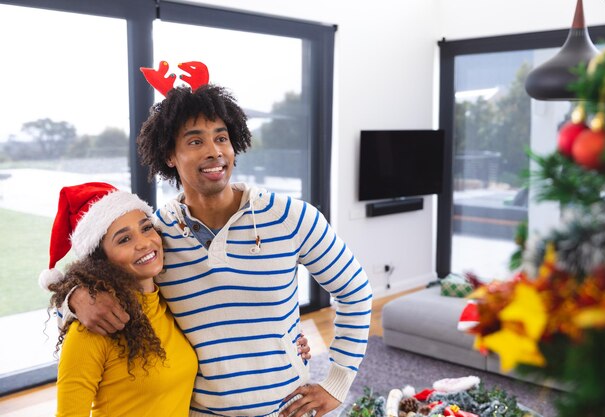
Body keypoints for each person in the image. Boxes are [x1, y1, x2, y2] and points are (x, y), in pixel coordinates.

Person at [63, 62, 372, 417]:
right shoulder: (156, 236)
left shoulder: (291, 217)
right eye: (195, 141)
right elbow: (97, 278)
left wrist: (336, 382)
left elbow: (355, 291)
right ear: (169, 155)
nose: (214, 151)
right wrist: (74, 299)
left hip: (287, 410)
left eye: (221, 137)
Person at [42, 182, 197, 416]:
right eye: (124, 240)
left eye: (146, 228)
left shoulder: (170, 303)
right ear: (100, 260)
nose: (144, 243)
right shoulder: (92, 329)